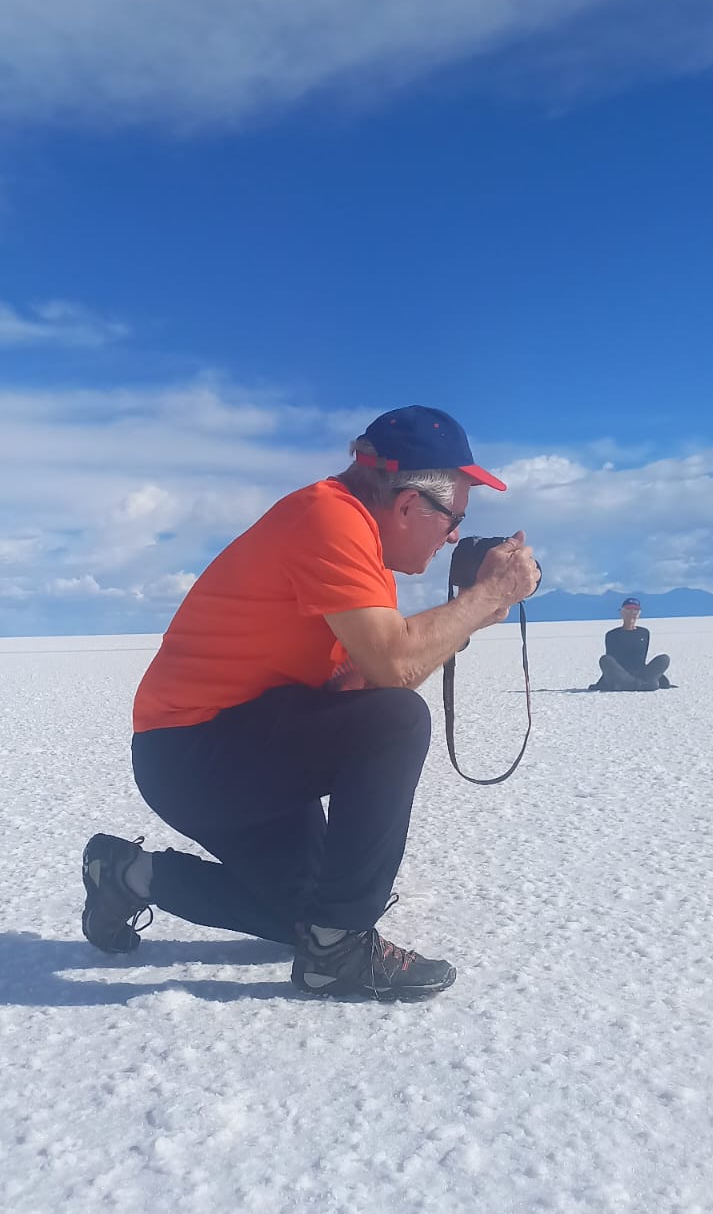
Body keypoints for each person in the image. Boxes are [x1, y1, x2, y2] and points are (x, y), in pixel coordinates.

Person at [82, 405, 539, 1002]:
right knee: (398, 725)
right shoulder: (331, 520)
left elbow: (370, 682)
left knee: (303, 917)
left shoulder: (359, 542)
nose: (454, 535)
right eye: (454, 519)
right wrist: (486, 598)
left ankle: (126, 875)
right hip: (193, 751)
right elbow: (394, 675)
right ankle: (340, 951)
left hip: (244, 740)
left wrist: (474, 609)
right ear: (407, 506)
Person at [589, 598, 672, 692]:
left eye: (635, 610)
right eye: (628, 610)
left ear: (639, 613)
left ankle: (633, 684)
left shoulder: (644, 633)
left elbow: (642, 661)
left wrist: (663, 680)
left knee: (664, 658)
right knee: (605, 659)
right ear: (622, 613)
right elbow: (611, 662)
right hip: (621, 674)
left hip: (640, 674)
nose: (632, 613)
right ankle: (642, 684)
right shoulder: (612, 634)